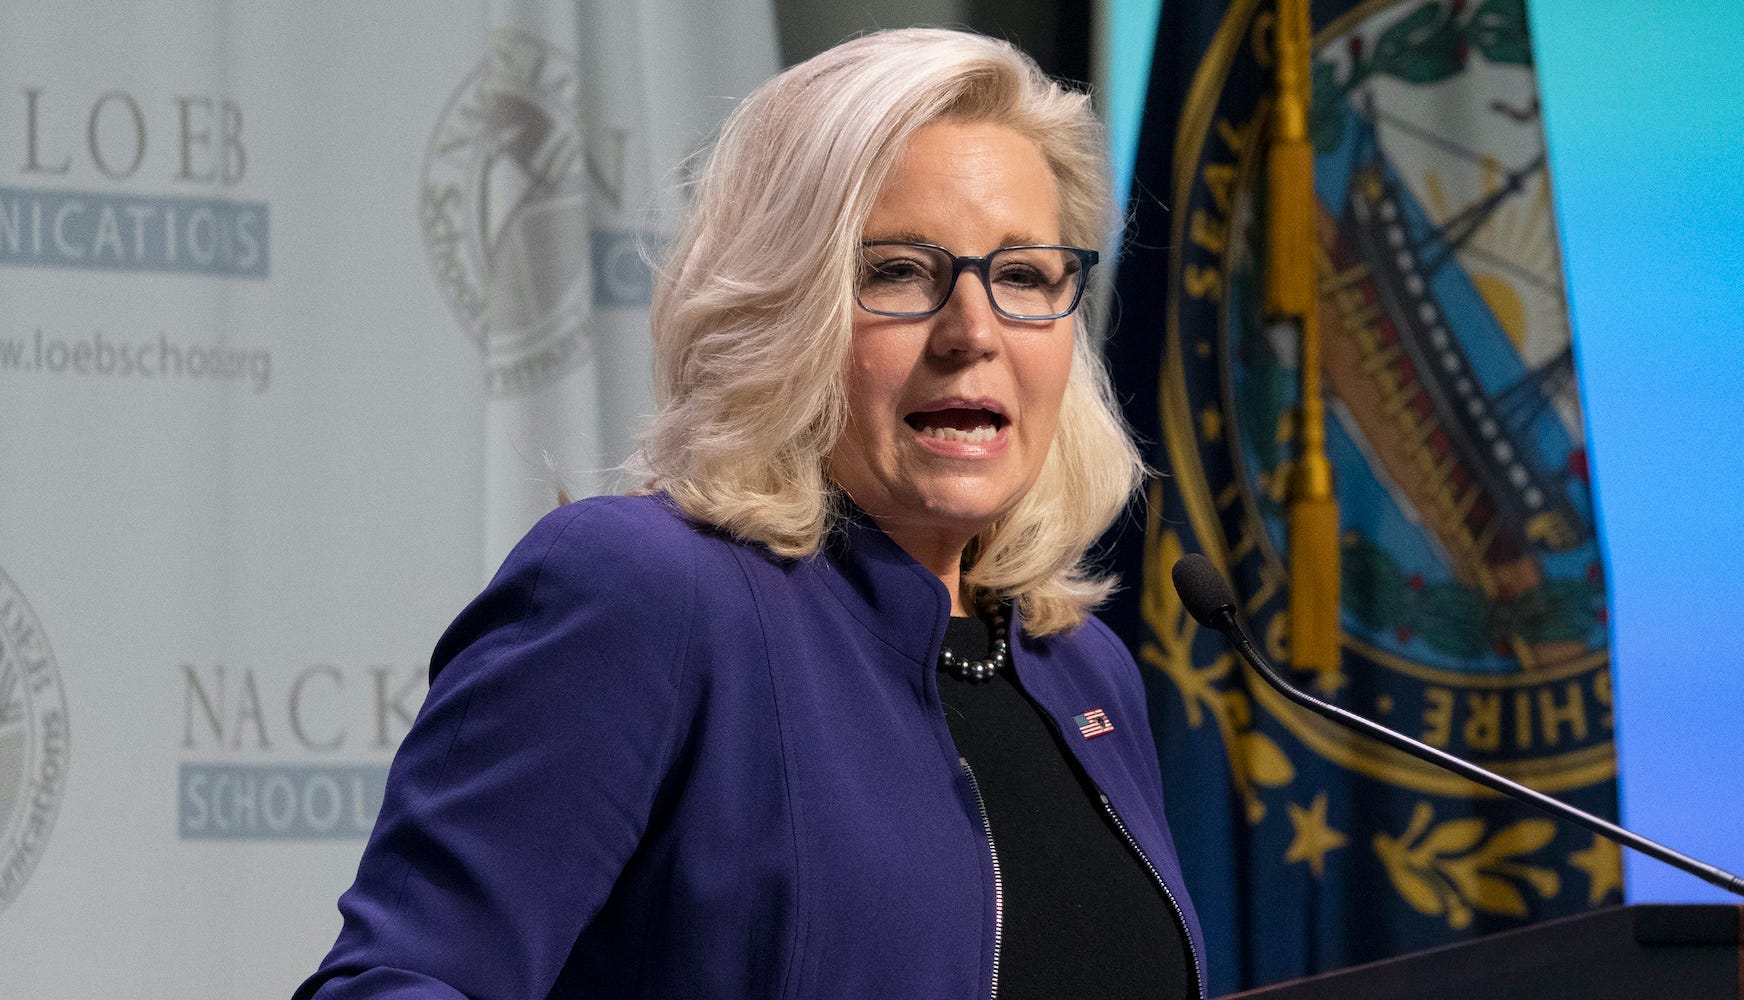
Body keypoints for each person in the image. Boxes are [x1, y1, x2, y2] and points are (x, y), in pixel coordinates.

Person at [295, 28, 1205, 1000]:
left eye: (1023, 276)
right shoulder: (645, 590)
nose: (972, 333)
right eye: (898, 271)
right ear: (785, 303)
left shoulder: (1080, 666)